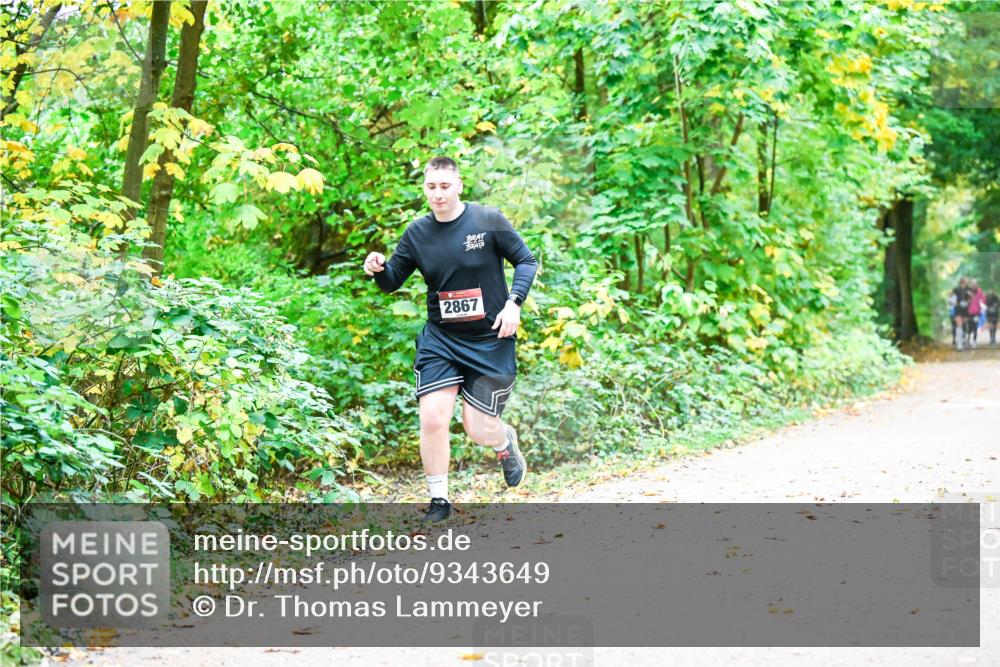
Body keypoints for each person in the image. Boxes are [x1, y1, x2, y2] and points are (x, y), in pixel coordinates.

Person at [362, 156, 538, 522]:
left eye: (445, 186)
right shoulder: (417, 233)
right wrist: (378, 268)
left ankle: (504, 443)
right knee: (432, 417)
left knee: (478, 429)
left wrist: (514, 303)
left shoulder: (487, 220)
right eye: (431, 187)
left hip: (490, 338)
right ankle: (439, 500)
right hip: (441, 339)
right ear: (424, 188)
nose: (438, 194)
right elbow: (392, 281)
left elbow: (526, 260)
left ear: (459, 186)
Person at [951, 278, 970, 351]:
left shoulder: (968, 289)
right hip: (958, 309)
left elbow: (972, 298)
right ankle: (959, 345)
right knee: (959, 325)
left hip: (965, 309)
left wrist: (967, 302)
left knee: (964, 325)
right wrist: (957, 303)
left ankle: (962, 342)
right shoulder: (956, 289)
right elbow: (951, 298)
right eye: (966, 280)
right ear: (963, 282)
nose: (967, 282)